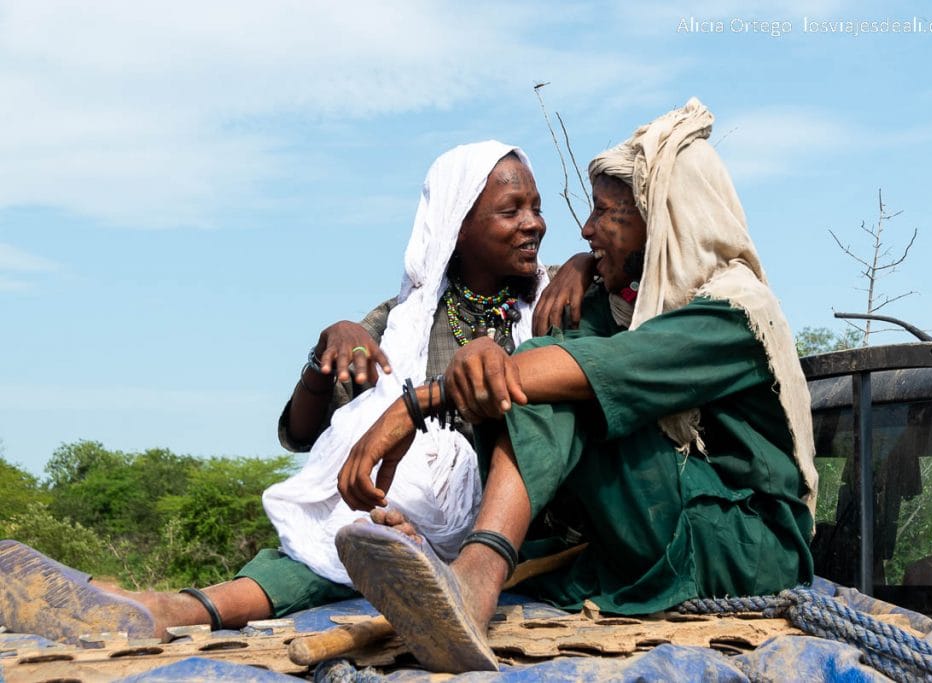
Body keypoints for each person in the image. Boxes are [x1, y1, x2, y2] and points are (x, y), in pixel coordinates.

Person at [0, 140, 565, 642]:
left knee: (371, 541)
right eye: (510, 210)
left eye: (536, 208)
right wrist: (323, 358)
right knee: (326, 546)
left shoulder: (551, 303)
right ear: (456, 226)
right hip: (392, 510)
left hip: (503, 522)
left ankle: (417, 559)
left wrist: (584, 265)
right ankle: (154, 609)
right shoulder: (401, 321)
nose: (534, 224)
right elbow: (302, 434)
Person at [333, 98, 820, 673]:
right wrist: (581, 265)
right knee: (551, 378)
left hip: (743, 547)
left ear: (662, 222)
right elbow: (547, 352)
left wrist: (414, 405)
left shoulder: (732, 315)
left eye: (608, 214)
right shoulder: (636, 304)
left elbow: (577, 367)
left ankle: (475, 579)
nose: (586, 228)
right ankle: (451, 564)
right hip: (680, 521)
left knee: (561, 377)